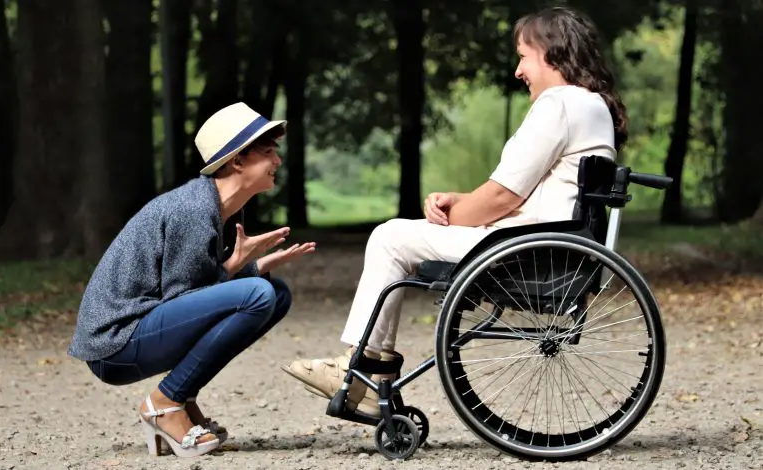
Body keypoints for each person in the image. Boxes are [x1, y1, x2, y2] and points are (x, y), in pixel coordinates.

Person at [281, 5, 627, 417]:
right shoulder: (593, 107)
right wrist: (458, 202)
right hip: (551, 245)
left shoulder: (561, 104)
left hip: (528, 251)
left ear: (551, 52)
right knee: (399, 236)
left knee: (391, 237)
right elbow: (519, 194)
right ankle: (368, 371)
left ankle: (364, 373)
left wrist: (447, 216)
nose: (518, 72)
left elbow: (502, 198)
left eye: (522, 57)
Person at [67, 102, 316, 457]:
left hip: (144, 328)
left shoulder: (220, 208)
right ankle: (165, 404)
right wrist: (237, 267)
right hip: (115, 343)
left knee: (276, 293)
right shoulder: (193, 210)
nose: (277, 161)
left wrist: (253, 267)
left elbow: (199, 293)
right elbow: (184, 297)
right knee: (260, 294)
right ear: (238, 161)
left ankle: (179, 396)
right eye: (267, 152)